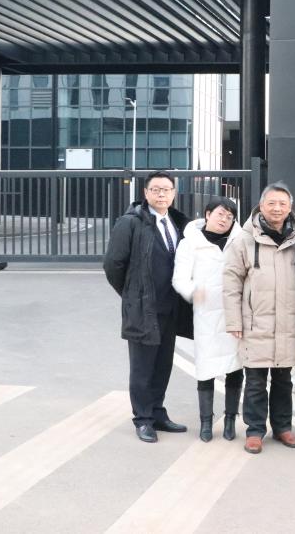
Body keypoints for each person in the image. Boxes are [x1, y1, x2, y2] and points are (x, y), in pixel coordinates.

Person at [104, 170, 193, 443]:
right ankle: (143, 419)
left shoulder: (178, 223)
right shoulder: (130, 223)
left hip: (171, 308)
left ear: (174, 193)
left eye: (166, 189)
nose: (161, 194)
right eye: (156, 189)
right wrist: (132, 294)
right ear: (146, 193)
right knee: (143, 368)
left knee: (163, 365)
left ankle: (157, 413)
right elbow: (113, 265)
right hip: (144, 308)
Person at [223, 182, 295, 455]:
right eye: (271, 203)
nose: (277, 208)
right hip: (255, 322)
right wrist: (234, 321)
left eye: (282, 203)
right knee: (256, 381)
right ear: (261, 206)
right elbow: (231, 282)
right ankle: (255, 430)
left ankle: (282, 427)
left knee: (284, 380)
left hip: (288, 322)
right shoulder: (244, 239)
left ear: (290, 207)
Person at [172, 197, 244, 442]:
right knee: (205, 369)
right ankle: (205, 421)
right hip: (206, 315)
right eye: (220, 214)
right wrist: (194, 292)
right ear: (207, 214)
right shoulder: (190, 243)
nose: (225, 219)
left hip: (235, 313)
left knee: (236, 368)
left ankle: (231, 419)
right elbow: (180, 278)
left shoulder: (241, 241)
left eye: (230, 216)